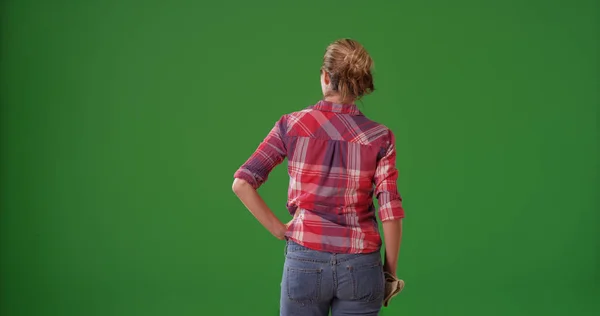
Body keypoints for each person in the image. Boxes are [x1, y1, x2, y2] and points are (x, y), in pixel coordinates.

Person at [232, 38, 405, 316]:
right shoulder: (379, 137)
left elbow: (242, 183)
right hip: (361, 267)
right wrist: (388, 273)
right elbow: (390, 211)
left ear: (325, 76)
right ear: (360, 83)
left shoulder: (291, 125)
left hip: (304, 260)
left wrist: (280, 230)